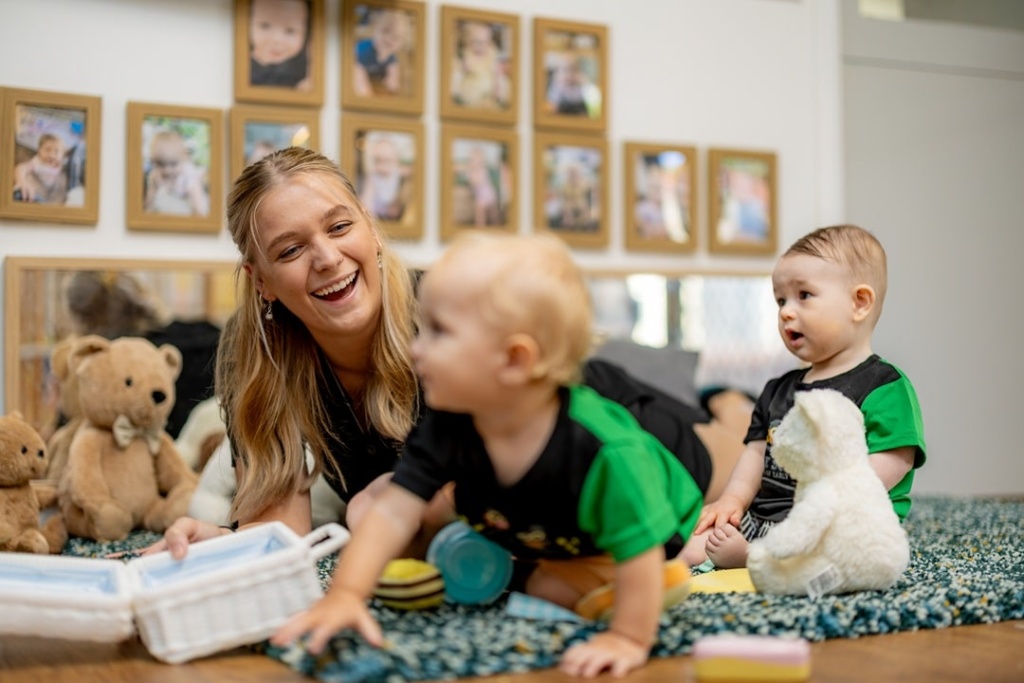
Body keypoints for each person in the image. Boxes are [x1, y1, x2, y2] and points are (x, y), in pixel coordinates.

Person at [144, 147, 745, 572]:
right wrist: (218, 543)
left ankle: (728, 396)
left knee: (746, 447)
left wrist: (402, 503)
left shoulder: (445, 317)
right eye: (292, 248)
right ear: (262, 281)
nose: (325, 258)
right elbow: (282, 532)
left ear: (372, 230)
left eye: (339, 226)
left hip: (622, 432)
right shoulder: (267, 370)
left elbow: (521, 480)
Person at [273, 231, 704, 678]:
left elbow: (637, 544)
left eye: (438, 333)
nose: (416, 349)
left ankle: (667, 574)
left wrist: (629, 638)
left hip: (646, 529)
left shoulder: (605, 453)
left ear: (514, 359)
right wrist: (345, 592)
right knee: (542, 591)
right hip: (543, 528)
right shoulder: (446, 427)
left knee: (620, 580)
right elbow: (394, 514)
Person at [691, 224, 927, 569]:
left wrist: (820, 508)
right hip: (766, 518)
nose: (786, 310)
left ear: (859, 302)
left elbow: (894, 461)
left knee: (829, 559)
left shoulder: (883, 386)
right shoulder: (778, 390)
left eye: (804, 295)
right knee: (694, 544)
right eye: (780, 300)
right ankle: (683, 570)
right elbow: (756, 453)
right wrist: (732, 500)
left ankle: (754, 560)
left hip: (840, 523)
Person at [144, 129, 209, 217]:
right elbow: (148, 203)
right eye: (161, 164)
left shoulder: (188, 177)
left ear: (184, 158)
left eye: (173, 164)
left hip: (193, 197)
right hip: (173, 198)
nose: (167, 170)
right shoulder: (156, 175)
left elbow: (199, 208)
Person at [249, 0, 312, 90]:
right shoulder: (239, 65)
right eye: (265, 25)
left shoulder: (305, 70)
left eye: (290, 31)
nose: (277, 39)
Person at [449, 20, 510, 110]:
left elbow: (496, 73)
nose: (480, 46)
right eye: (476, 42)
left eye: (485, 42)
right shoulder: (467, 55)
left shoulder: (491, 55)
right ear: (467, 42)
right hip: (472, 89)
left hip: (490, 89)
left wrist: (497, 88)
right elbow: (462, 70)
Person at [354, 8, 410, 97]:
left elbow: (394, 76)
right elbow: (355, 67)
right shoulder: (364, 50)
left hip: (376, 78)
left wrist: (392, 81)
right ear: (374, 29)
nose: (390, 39)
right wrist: (365, 90)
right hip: (358, 68)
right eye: (385, 31)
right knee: (357, 72)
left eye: (397, 37)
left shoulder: (392, 57)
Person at [357, 134, 409, 222]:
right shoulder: (372, 178)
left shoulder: (399, 175)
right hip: (378, 215)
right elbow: (367, 202)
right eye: (378, 161)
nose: (382, 167)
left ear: (396, 161)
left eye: (387, 161)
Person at [13, 133, 68, 204]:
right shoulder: (37, 163)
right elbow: (21, 168)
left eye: (56, 151)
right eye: (47, 150)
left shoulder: (61, 167)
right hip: (31, 194)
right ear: (39, 150)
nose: (51, 155)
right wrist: (22, 182)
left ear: (62, 155)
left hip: (47, 200)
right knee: (18, 194)